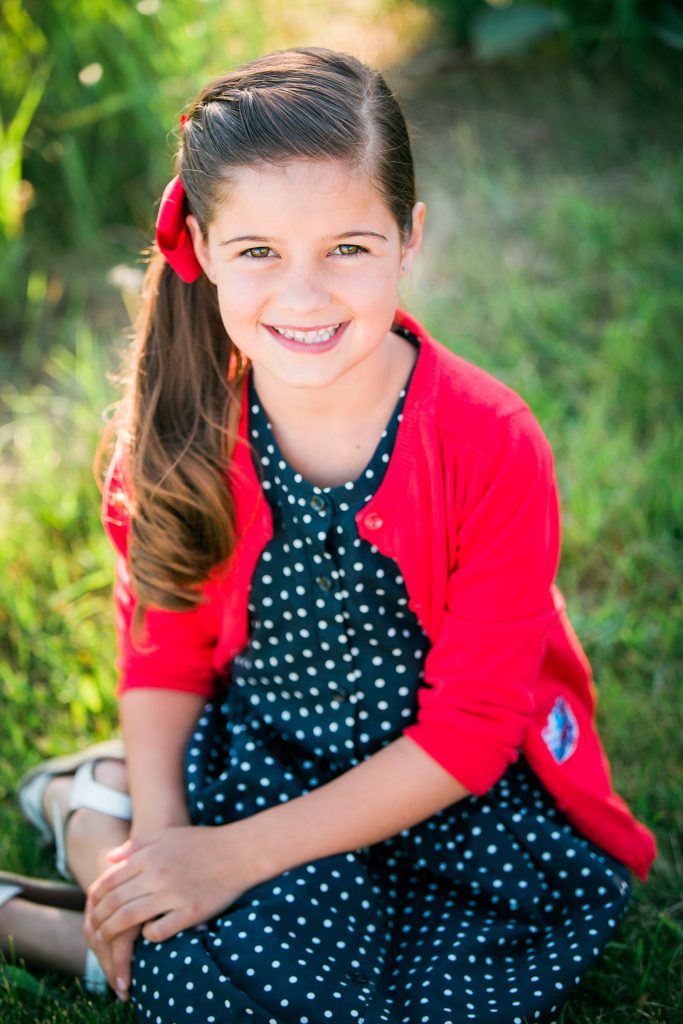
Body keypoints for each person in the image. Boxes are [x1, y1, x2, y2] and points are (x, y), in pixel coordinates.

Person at [1, 47, 656, 1024]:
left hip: (450, 795)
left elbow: (470, 731)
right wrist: (174, 840)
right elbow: (164, 651)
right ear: (204, 251)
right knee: (232, 973)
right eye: (258, 251)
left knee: (435, 1001)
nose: (303, 298)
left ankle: (71, 857)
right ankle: (115, 827)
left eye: (346, 247)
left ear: (407, 237)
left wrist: (227, 858)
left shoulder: (488, 442)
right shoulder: (183, 430)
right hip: (264, 758)